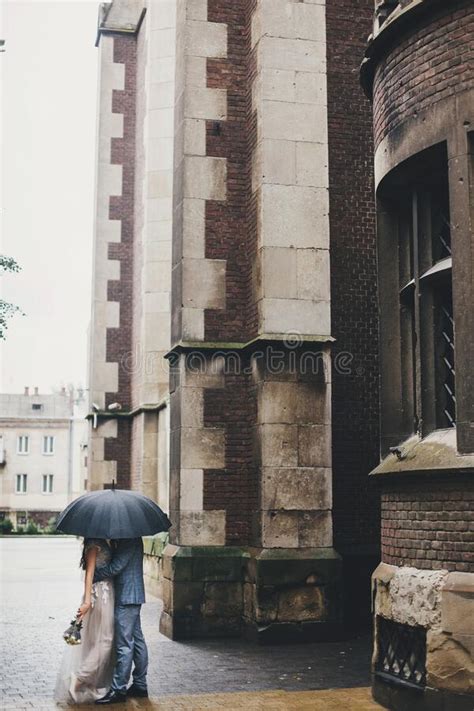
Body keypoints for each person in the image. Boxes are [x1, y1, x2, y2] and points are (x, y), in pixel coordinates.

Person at [54, 539, 115, 704]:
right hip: (101, 594)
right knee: (106, 640)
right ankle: (80, 676)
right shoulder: (94, 543)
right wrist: (87, 601)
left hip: (105, 592)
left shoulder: (103, 541)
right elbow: (89, 573)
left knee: (97, 640)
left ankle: (90, 682)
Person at [94, 538, 149, 705]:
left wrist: (94, 574)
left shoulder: (129, 541)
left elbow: (116, 567)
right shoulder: (131, 538)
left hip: (127, 596)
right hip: (132, 595)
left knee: (124, 644)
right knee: (137, 641)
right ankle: (140, 684)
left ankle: (119, 689)